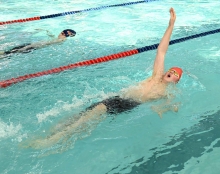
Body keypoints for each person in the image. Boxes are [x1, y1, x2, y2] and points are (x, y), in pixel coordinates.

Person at [27, 8, 182, 149]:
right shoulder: (156, 77)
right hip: (119, 98)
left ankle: (54, 140)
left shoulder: (165, 91)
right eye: (171, 70)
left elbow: (170, 105)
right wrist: (171, 25)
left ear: (176, 81)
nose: (172, 72)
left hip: (129, 103)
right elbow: (161, 51)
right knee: (85, 112)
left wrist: (165, 108)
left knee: (94, 113)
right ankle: (53, 132)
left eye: (175, 74)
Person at [0, 29, 76, 55]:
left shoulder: (62, 39)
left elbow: (51, 42)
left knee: (12, 52)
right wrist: (47, 31)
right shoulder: (58, 39)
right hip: (33, 45)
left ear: (65, 34)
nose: (60, 33)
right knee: (12, 51)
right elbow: (52, 38)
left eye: (62, 33)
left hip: (34, 46)